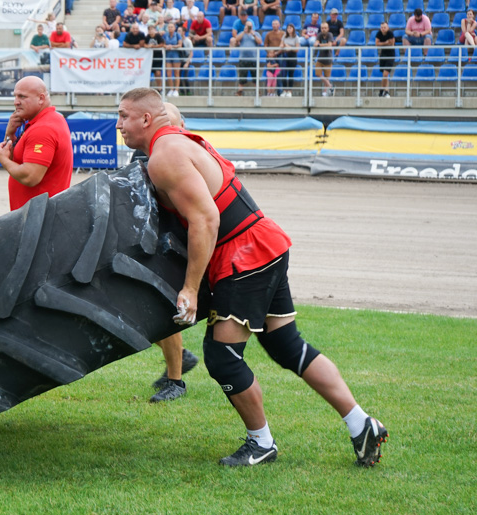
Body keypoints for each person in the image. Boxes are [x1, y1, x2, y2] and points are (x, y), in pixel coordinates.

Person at [116, 87, 390, 467]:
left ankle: (261, 444)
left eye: (124, 116)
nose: (118, 125)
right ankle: (362, 424)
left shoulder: (165, 155)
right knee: (287, 346)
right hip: (266, 242)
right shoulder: (177, 141)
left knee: (223, 355)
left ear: (147, 119)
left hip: (244, 255)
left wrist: (191, 289)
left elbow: (206, 219)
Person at [128, 102, 201, 402]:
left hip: (177, 244)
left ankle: (176, 380)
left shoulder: (188, 152)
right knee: (141, 311)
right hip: (151, 240)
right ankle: (180, 358)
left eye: (174, 125)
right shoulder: (145, 152)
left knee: (161, 310)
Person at [0, 76, 73, 212]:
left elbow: (30, 176)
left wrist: (3, 159)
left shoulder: (43, 128)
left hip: (39, 221)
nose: (16, 102)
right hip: (39, 216)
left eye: (22, 97)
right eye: (15, 96)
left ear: (41, 98)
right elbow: (19, 162)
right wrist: (10, 136)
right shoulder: (49, 120)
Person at [235, 19, 261, 96]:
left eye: (250, 26)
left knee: (255, 75)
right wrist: (244, 32)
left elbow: (259, 42)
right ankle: (240, 91)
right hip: (243, 58)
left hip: (253, 58)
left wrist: (253, 34)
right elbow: (236, 39)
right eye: (247, 26)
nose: (249, 27)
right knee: (242, 75)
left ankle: (257, 91)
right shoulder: (242, 33)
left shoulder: (256, 33)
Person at [279, 22, 299, 98]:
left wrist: (289, 47)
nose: (289, 29)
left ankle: (290, 91)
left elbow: (297, 49)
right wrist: (284, 46)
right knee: (284, 73)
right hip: (285, 56)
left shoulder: (296, 37)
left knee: (291, 74)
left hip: (292, 56)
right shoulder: (284, 36)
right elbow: (281, 45)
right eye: (288, 28)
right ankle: (284, 90)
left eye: (290, 28)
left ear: (293, 29)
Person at [375, 21, 395, 98]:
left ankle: (383, 90)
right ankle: (385, 91)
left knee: (385, 74)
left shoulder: (390, 33)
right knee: (384, 75)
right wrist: (385, 43)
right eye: (382, 27)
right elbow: (376, 44)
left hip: (390, 55)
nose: (383, 29)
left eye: (385, 27)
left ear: (388, 28)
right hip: (383, 54)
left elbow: (391, 43)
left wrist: (382, 43)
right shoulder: (379, 33)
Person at [314, 21, 334, 97]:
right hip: (320, 59)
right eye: (322, 28)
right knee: (317, 73)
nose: (324, 29)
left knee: (326, 77)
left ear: (328, 28)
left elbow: (329, 45)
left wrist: (320, 45)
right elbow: (315, 44)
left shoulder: (330, 35)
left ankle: (325, 92)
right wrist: (321, 45)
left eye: (325, 28)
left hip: (328, 59)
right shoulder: (319, 35)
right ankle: (330, 86)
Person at [163, 22, 182, 96]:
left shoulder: (178, 35)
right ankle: (171, 89)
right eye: (169, 27)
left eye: (172, 27)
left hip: (176, 55)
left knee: (176, 73)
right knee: (169, 73)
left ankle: (176, 90)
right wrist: (166, 46)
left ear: (174, 28)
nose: (170, 28)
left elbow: (180, 44)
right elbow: (163, 44)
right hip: (168, 55)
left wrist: (172, 46)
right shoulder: (165, 35)